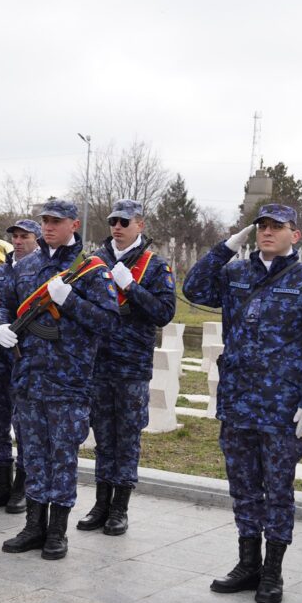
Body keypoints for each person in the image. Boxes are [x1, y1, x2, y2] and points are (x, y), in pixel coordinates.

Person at [183, 203, 302, 603]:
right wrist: (227, 245)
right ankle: (247, 562)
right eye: (262, 227)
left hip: (282, 408)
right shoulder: (237, 272)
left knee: (278, 490)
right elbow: (194, 289)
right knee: (244, 487)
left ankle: (273, 571)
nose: (267, 233)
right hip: (238, 401)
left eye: (277, 227)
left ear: (295, 234)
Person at [0, 200, 121, 560]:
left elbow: (109, 323)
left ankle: (57, 532)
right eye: (44, 220)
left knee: (62, 457)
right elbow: (4, 304)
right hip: (29, 377)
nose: (48, 226)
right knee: (32, 455)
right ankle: (33, 526)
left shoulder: (92, 270)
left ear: (73, 224)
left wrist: (71, 301)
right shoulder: (28, 265)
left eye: (56, 221)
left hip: (69, 381)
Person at [80, 200, 176, 536]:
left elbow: (164, 312)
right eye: (113, 222)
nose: (117, 228)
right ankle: (100, 504)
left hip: (132, 365)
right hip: (99, 362)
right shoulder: (95, 261)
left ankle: (120, 508)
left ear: (140, 225)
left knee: (127, 438)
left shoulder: (154, 265)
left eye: (124, 222)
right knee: (103, 438)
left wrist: (130, 287)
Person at [0, 219, 41, 513]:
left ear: (37, 239)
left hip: (28, 358)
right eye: (15, 236)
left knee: (25, 424)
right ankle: (2, 481)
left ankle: (22, 486)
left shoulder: (43, 270)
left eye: (24, 236)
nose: (18, 241)